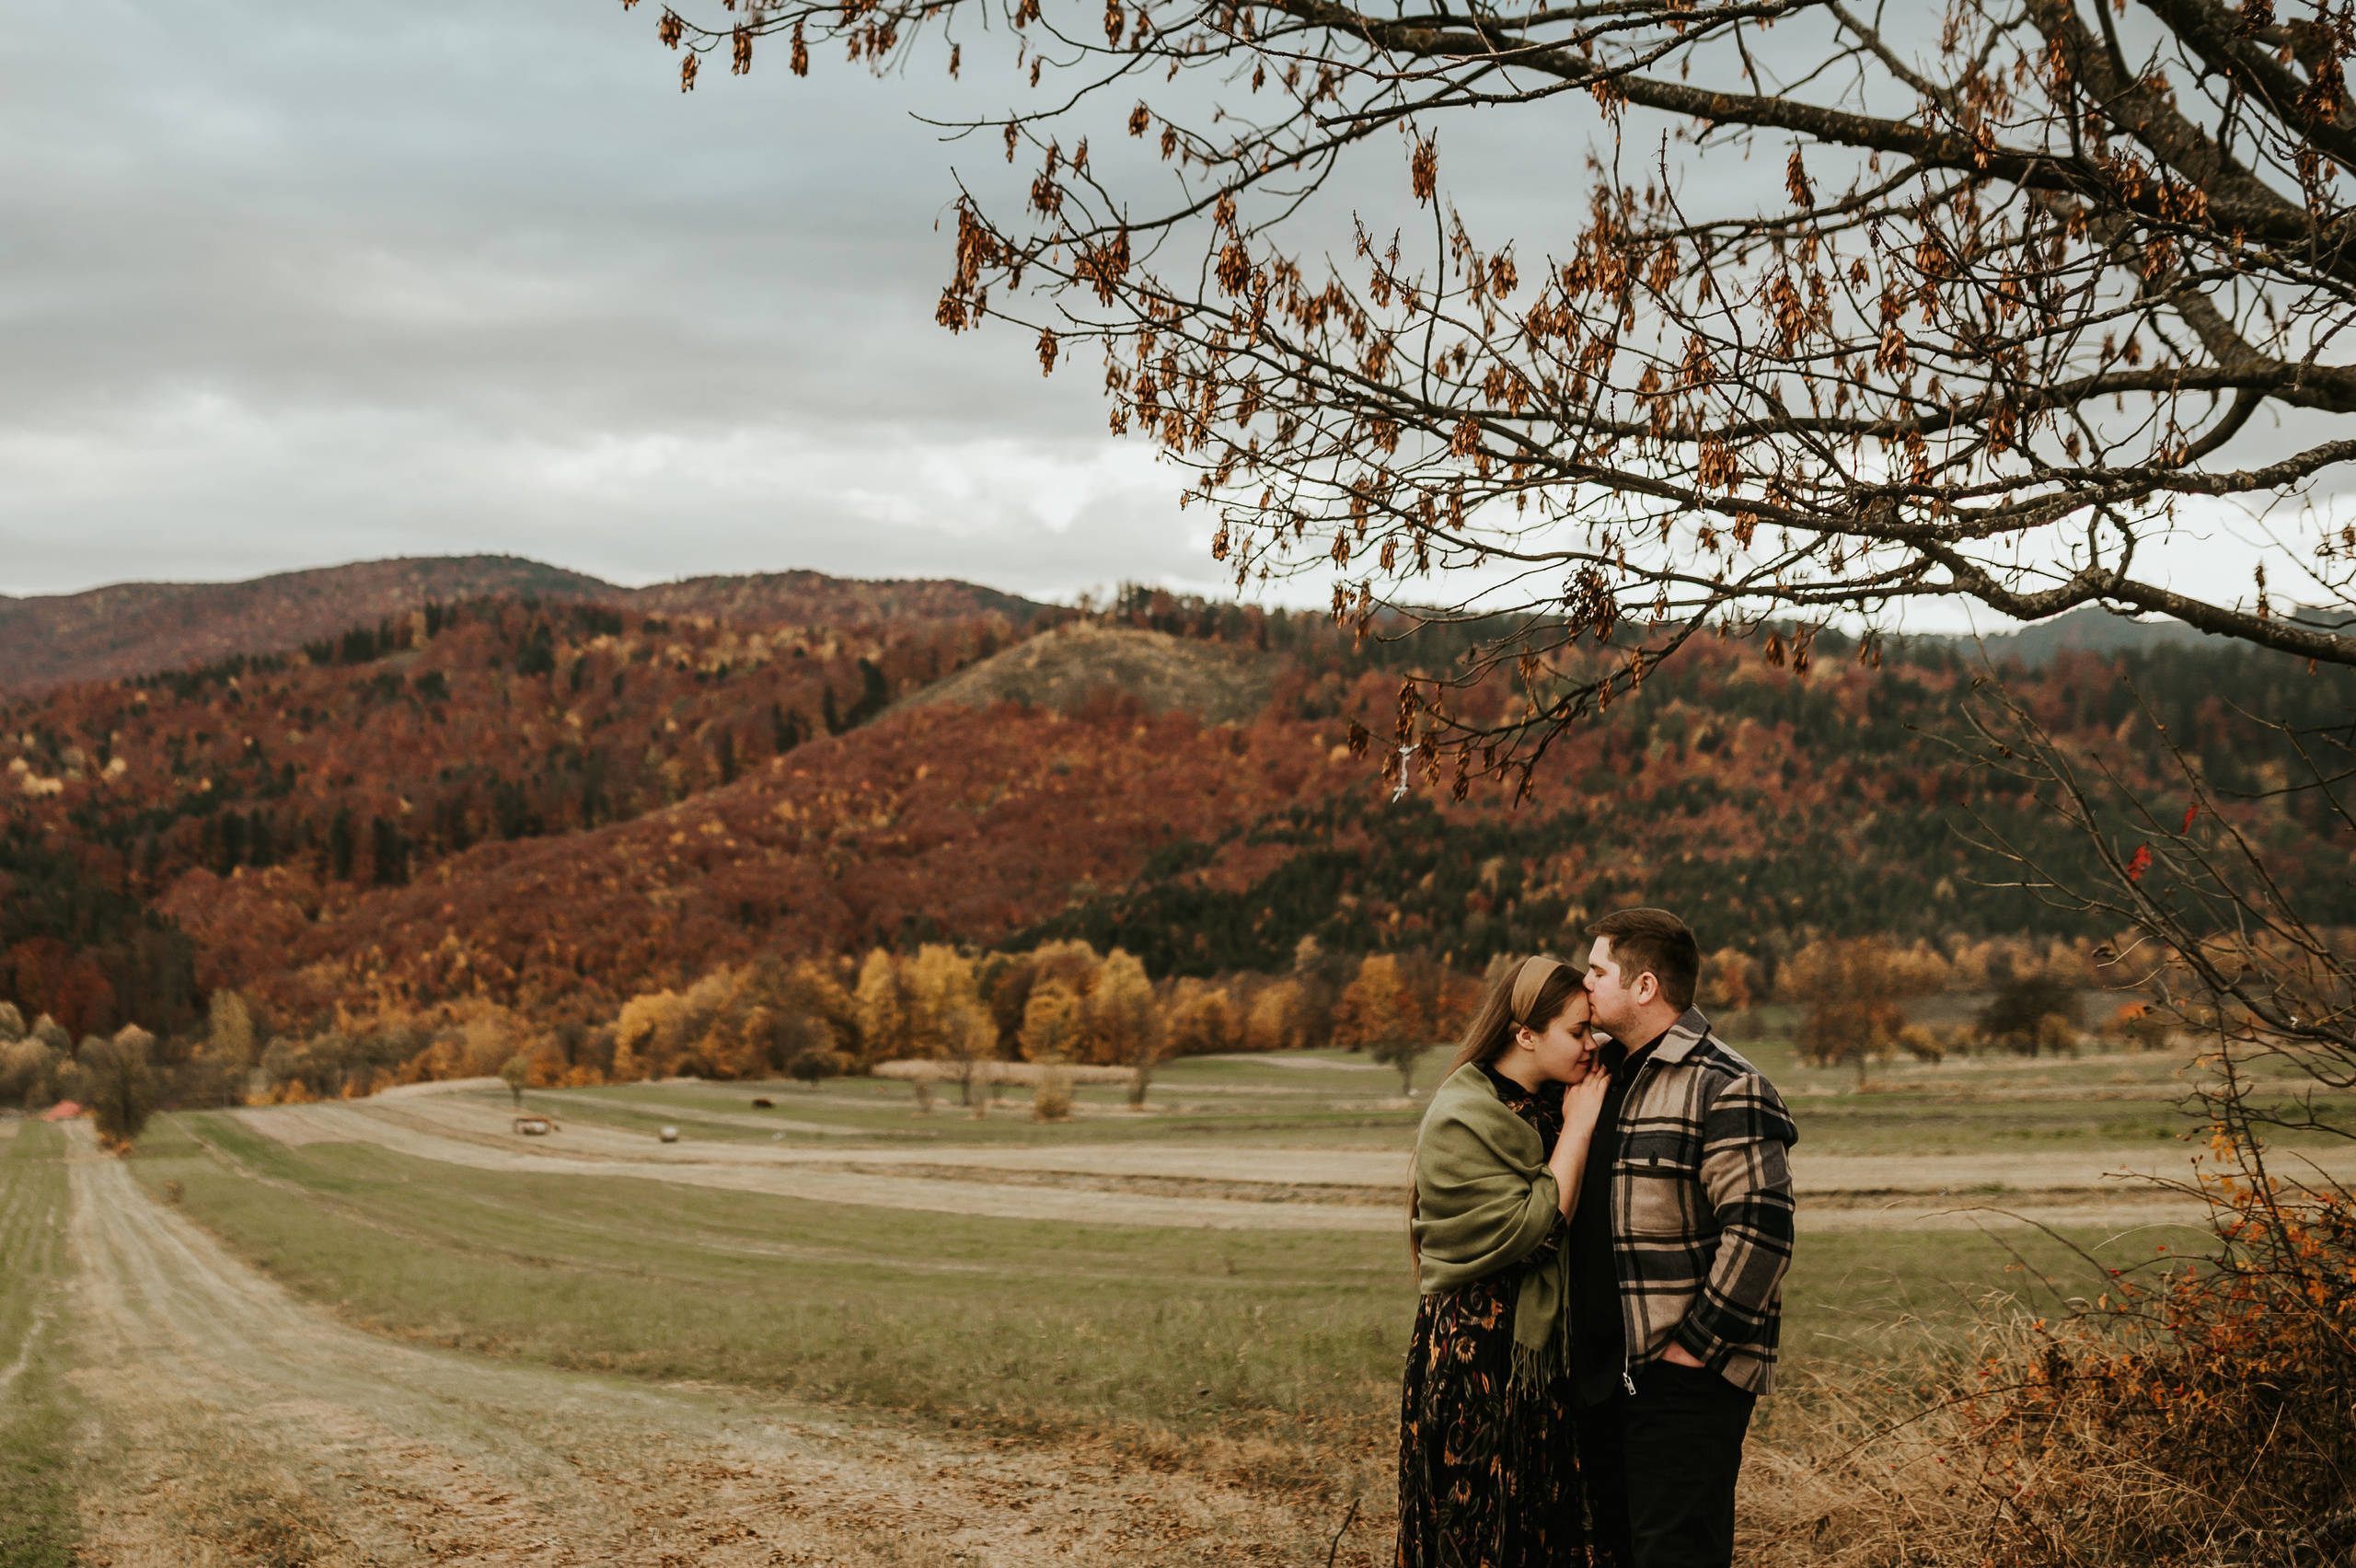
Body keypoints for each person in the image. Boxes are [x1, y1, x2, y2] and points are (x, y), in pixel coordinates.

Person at [1572, 908, 1797, 1568]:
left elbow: (1762, 1231)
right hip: (1601, 1381)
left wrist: (1694, 1351)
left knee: (1677, 1555)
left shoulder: (1725, 1085)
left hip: (1681, 1384)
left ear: (1644, 986)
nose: (1584, 982)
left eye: (1597, 970)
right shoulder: (1600, 1074)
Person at [1397, 954, 1613, 1568]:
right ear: (1526, 1035)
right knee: (1477, 1532)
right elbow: (1538, 1233)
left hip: (1540, 1363)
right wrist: (1577, 1132)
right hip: (1476, 1361)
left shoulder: (1553, 1099)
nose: (1591, 1044)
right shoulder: (1464, 1116)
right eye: (1577, 1031)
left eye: (1593, 1029)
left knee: (1541, 1526)